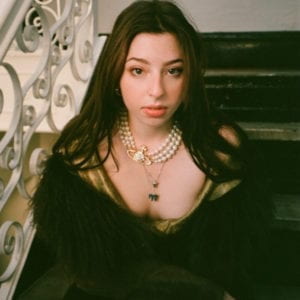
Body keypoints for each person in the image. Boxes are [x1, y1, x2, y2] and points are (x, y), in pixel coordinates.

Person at [30, 1, 272, 299]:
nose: (156, 90)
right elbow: (87, 272)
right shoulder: (85, 150)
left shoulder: (219, 149)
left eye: (173, 71)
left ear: (190, 77)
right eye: (137, 70)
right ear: (115, 75)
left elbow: (234, 264)